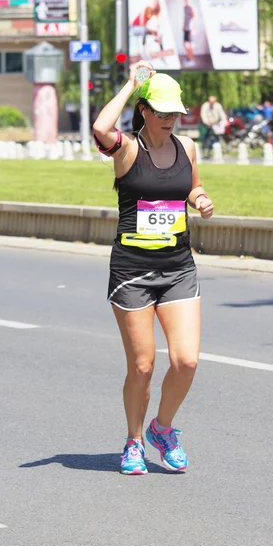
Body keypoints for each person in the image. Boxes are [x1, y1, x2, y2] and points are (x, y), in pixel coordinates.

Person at [93, 62, 214, 475]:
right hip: (132, 272)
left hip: (179, 267)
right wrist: (130, 84)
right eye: (160, 112)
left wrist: (200, 199)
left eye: (173, 114)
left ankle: (162, 429)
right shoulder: (126, 149)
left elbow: (193, 185)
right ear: (144, 110)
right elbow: (99, 127)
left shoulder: (188, 147)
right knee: (142, 366)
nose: (168, 120)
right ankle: (132, 440)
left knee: (186, 361)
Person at [183, 0, 195, 67]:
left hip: (190, 29)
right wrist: (183, 26)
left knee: (190, 45)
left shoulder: (191, 8)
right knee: (185, 43)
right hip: (185, 28)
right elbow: (185, 18)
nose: (187, 0)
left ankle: (190, 59)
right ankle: (188, 58)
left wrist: (192, 29)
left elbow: (194, 19)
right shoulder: (185, 7)